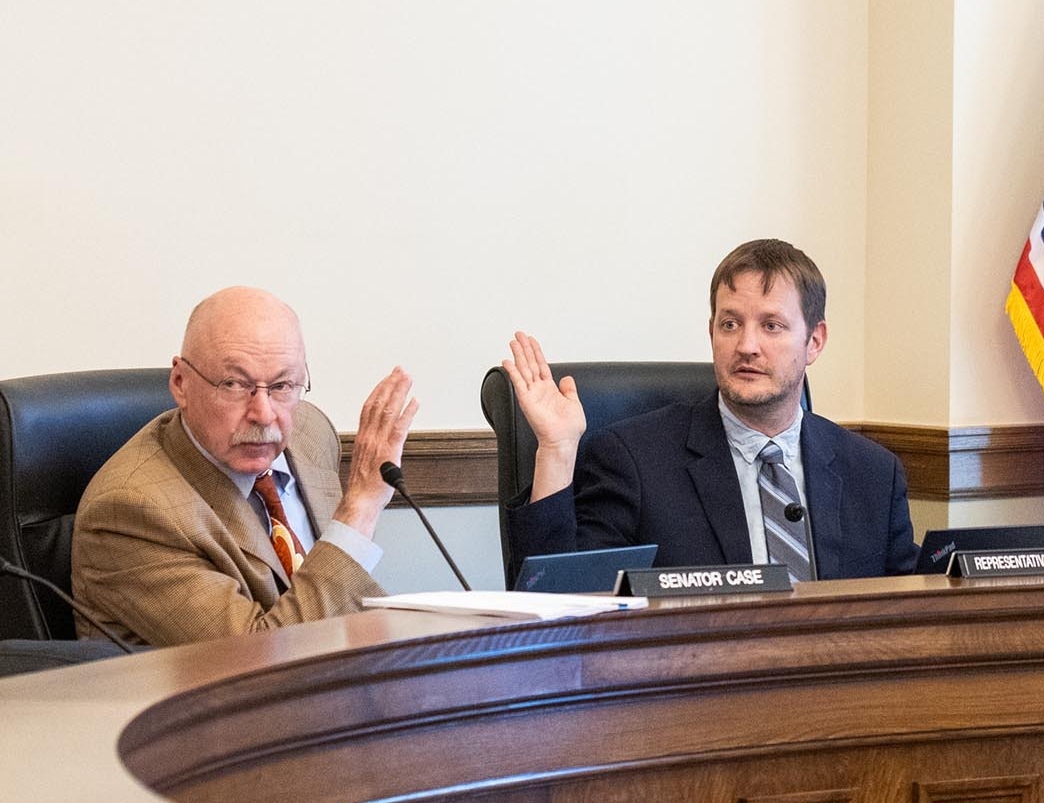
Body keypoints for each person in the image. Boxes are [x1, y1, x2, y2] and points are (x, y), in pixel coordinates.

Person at [503, 238, 917, 580]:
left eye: (771, 325)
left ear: (815, 341)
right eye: (730, 324)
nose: (746, 346)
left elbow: (916, 612)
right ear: (711, 331)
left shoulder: (873, 475)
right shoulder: (635, 460)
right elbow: (559, 601)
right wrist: (556, 451)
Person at [72, 287, 418, 645]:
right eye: (235, 384)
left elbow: (344, 600)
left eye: (283, 385)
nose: (264, 414)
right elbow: (261, 659)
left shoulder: (310, 433)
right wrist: (360, 508)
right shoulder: (129, 512)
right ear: (180, 383)